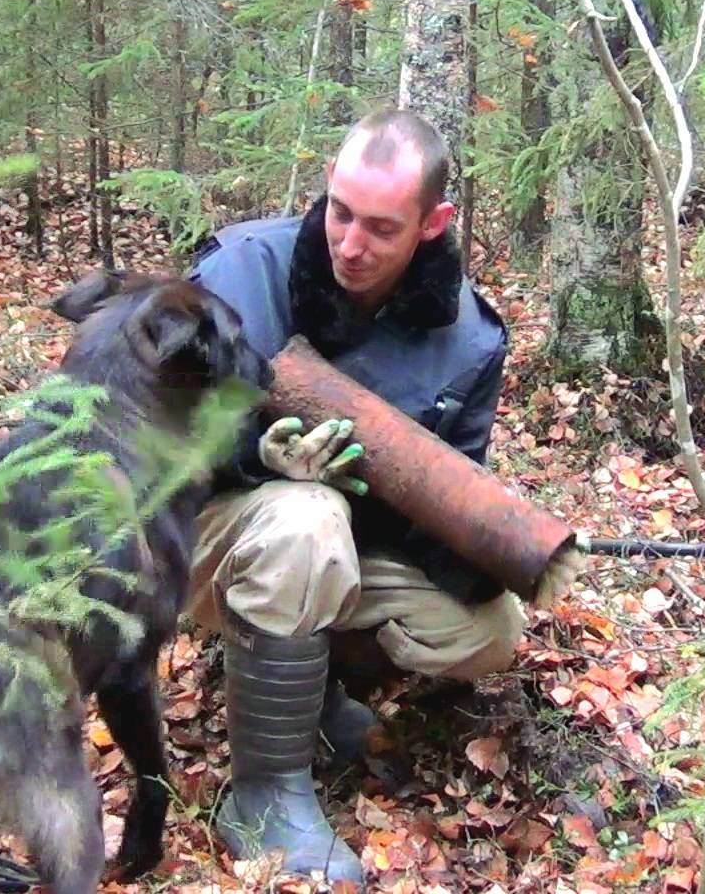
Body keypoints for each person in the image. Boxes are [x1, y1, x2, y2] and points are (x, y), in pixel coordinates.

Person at [184, 107, 523, 884]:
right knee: (307, 516)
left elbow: (446, 492)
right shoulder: (239, 274)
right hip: (199, 538)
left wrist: (502, 553)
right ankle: (263, 796)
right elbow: (143, 440)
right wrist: (253, 452)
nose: (349, 243)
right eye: (339, 212)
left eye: (380, 227)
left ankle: (312, 695)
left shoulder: (468, 340)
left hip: (342, 547)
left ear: (433, 223)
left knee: (488, 628)